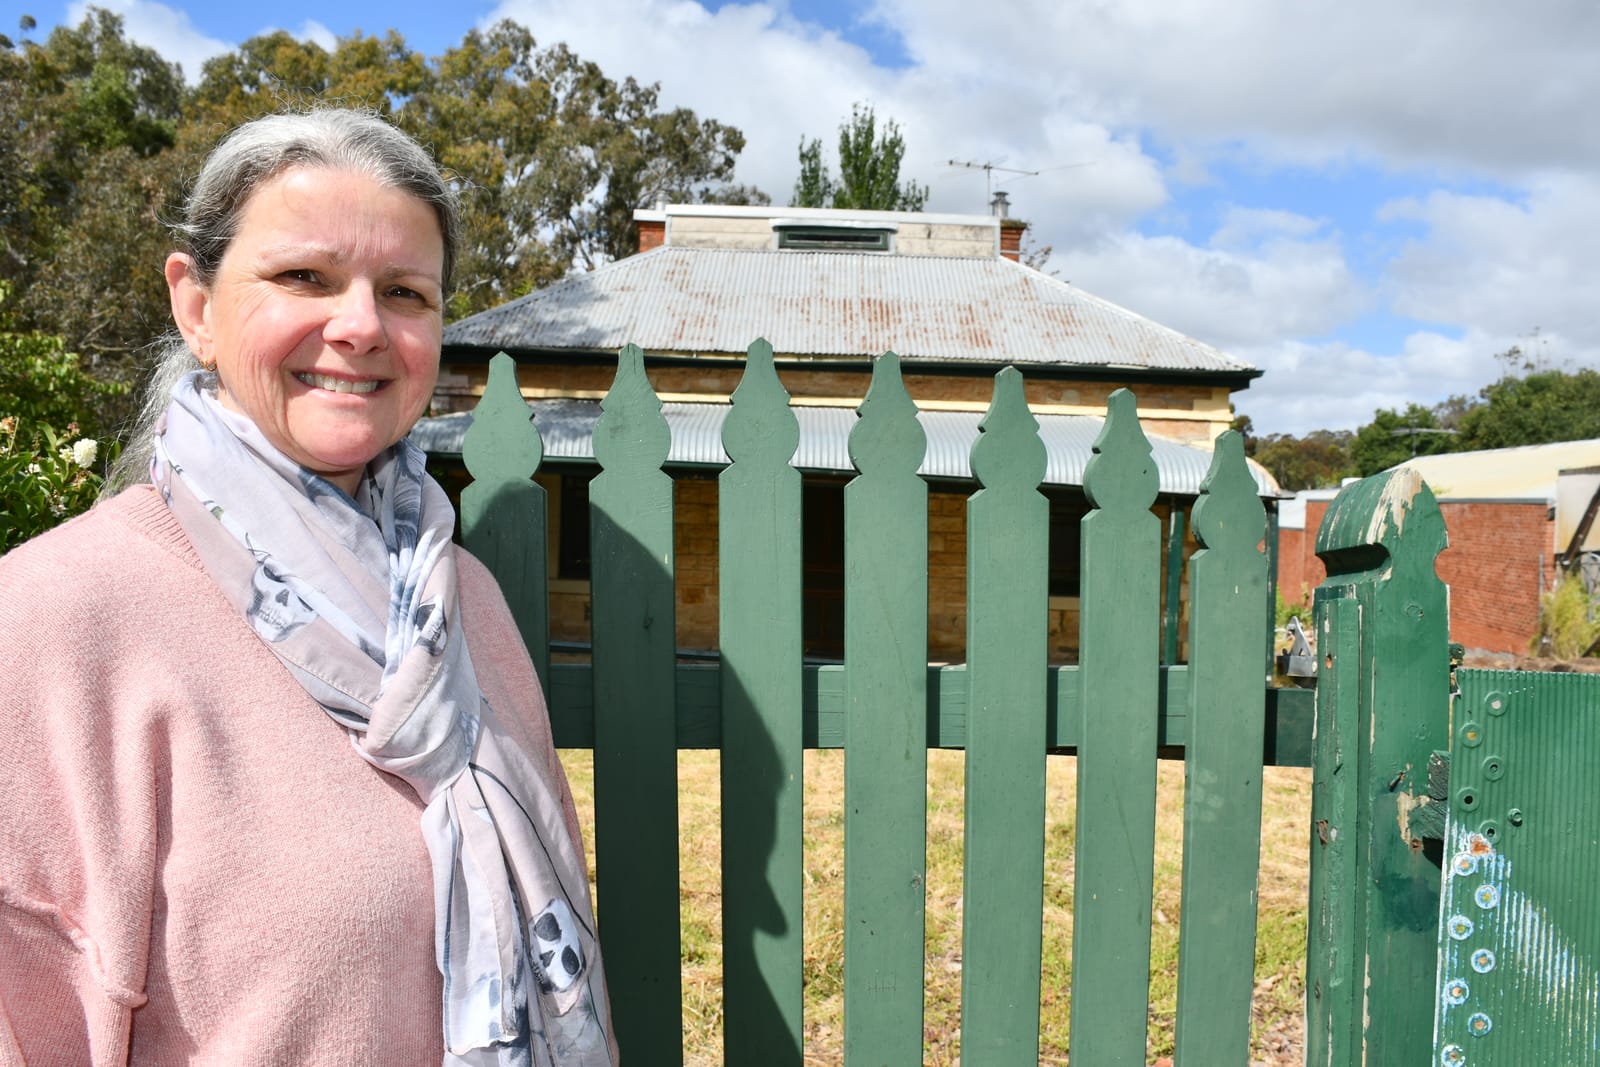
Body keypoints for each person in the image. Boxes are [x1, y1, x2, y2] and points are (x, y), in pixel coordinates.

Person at [0, 109, 616, 1066]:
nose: (362, 324)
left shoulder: (465, 602)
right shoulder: (54, 616)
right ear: (195, 305)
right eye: (304, 277)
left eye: (406, 292)